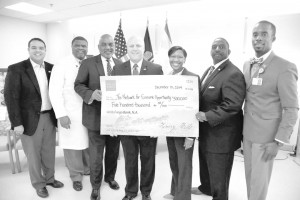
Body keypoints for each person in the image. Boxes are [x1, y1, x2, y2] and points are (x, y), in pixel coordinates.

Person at [243, 20, 298, 200]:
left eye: (264, 34)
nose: (258, 38)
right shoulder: (247, 64)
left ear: (273, 37)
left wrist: (278, 141)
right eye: (255, 34)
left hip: (266, 138)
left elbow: (291, 108)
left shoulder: (285, 67)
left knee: (259, 183)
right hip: (248, 134)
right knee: (250, 179)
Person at [4, 38, 64, 198]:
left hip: (49, 117)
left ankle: (50, 179)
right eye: (34, 48)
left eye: (41, 48)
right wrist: (16, 123)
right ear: (28, 49)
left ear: (45, 50)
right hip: (28, 120)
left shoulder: (52, 68)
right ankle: (39, 184)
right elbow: (11, 98)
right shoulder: (16, 69)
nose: (38, 51)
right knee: (33, 154)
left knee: (49, 151)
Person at [191, 37, 246, 200]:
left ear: (228, 51)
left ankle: (219, 196)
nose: (217, 49)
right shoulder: (210, 69)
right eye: (214, 46)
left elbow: (233, 104)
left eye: (221, 47)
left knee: (219, 172)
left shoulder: (233, 73)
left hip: (222, 135)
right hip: (207, 132)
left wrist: (207, 116)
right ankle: (206, 188)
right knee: (206, 165)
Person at [111, 35, 163, 200]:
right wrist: (111, 124)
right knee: (130, 161)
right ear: (127, 48)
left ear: (143, 49)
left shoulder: (156, 69)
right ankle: (130, 192)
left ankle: (146, 192)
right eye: (131, 45)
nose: (134, 48)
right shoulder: (117, 69)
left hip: (148, 126)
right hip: (126, 126)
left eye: (138, 46)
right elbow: (112, 98)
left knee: (148, 161)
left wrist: (157, 125)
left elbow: (160, 99)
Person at [74, 34, 122, 200]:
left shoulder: (120, 64)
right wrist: (91, 94)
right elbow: (78, 85)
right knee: (96, 155)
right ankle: (95, 186)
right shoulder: (88, 63)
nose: (108, 47)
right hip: (95, 117)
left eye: (111, 44)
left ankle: (110, 178)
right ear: (99, 46)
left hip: (116, 119)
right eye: (104, 45)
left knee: (113, 152)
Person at [49, 36, 90, 191]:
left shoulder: (89, 63)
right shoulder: (62, 64)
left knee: (87, 145)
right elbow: (54, 91)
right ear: (71, 47)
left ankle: (88, 170)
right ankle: (76, 177)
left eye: (84, 46)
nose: (81, 48)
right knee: (73, 146)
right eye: (77, 46)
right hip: (70, 114)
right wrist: (61, 114)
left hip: (88, 113)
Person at [163, 46, 200, 200]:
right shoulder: (167, 76)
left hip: (185, 130)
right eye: (173, 56)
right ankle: (174, 192)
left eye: (179, 57)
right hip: (170, 128)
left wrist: (191, 136)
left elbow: (197, 106)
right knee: (174, 162)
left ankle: (183, 197)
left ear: (185, 59)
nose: (176, 60)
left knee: (184, 165)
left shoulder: (192, 77)